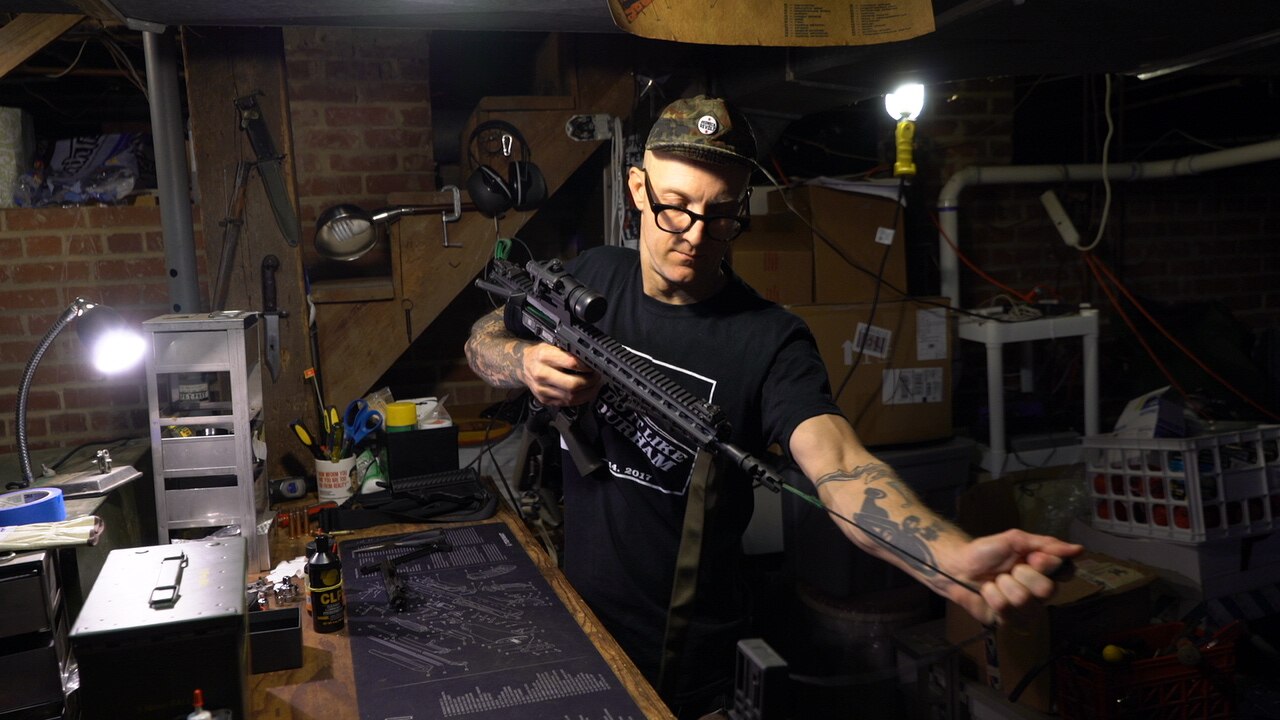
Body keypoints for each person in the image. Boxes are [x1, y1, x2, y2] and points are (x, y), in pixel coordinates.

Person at [465, 95, 1083, 718]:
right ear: (637, 188)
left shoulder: (771, 339)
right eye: (675, 206)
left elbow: (842, 467)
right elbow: (485, 336)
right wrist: (524, 362)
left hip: (688, 667)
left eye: (721, 215)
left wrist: (946, 556)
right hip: (577, 625)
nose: (696, 235)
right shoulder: (595, 275)